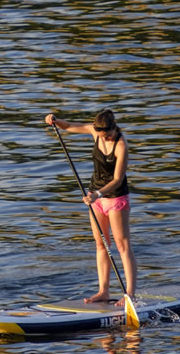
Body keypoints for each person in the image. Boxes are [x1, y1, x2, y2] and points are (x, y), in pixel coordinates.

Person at [45, 109, 136, 306]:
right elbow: (68, 126)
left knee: (122, 245)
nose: (107, 138)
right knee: (101, 244)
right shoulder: (94, 132)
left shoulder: (121, 145)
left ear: (114, 128)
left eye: (109, 135)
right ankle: (103, 291)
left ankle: (130, 294)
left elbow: (118, 179)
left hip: (115, 197)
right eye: (104, 136)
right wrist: (55, 120)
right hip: (95, 198)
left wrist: (98, 194)